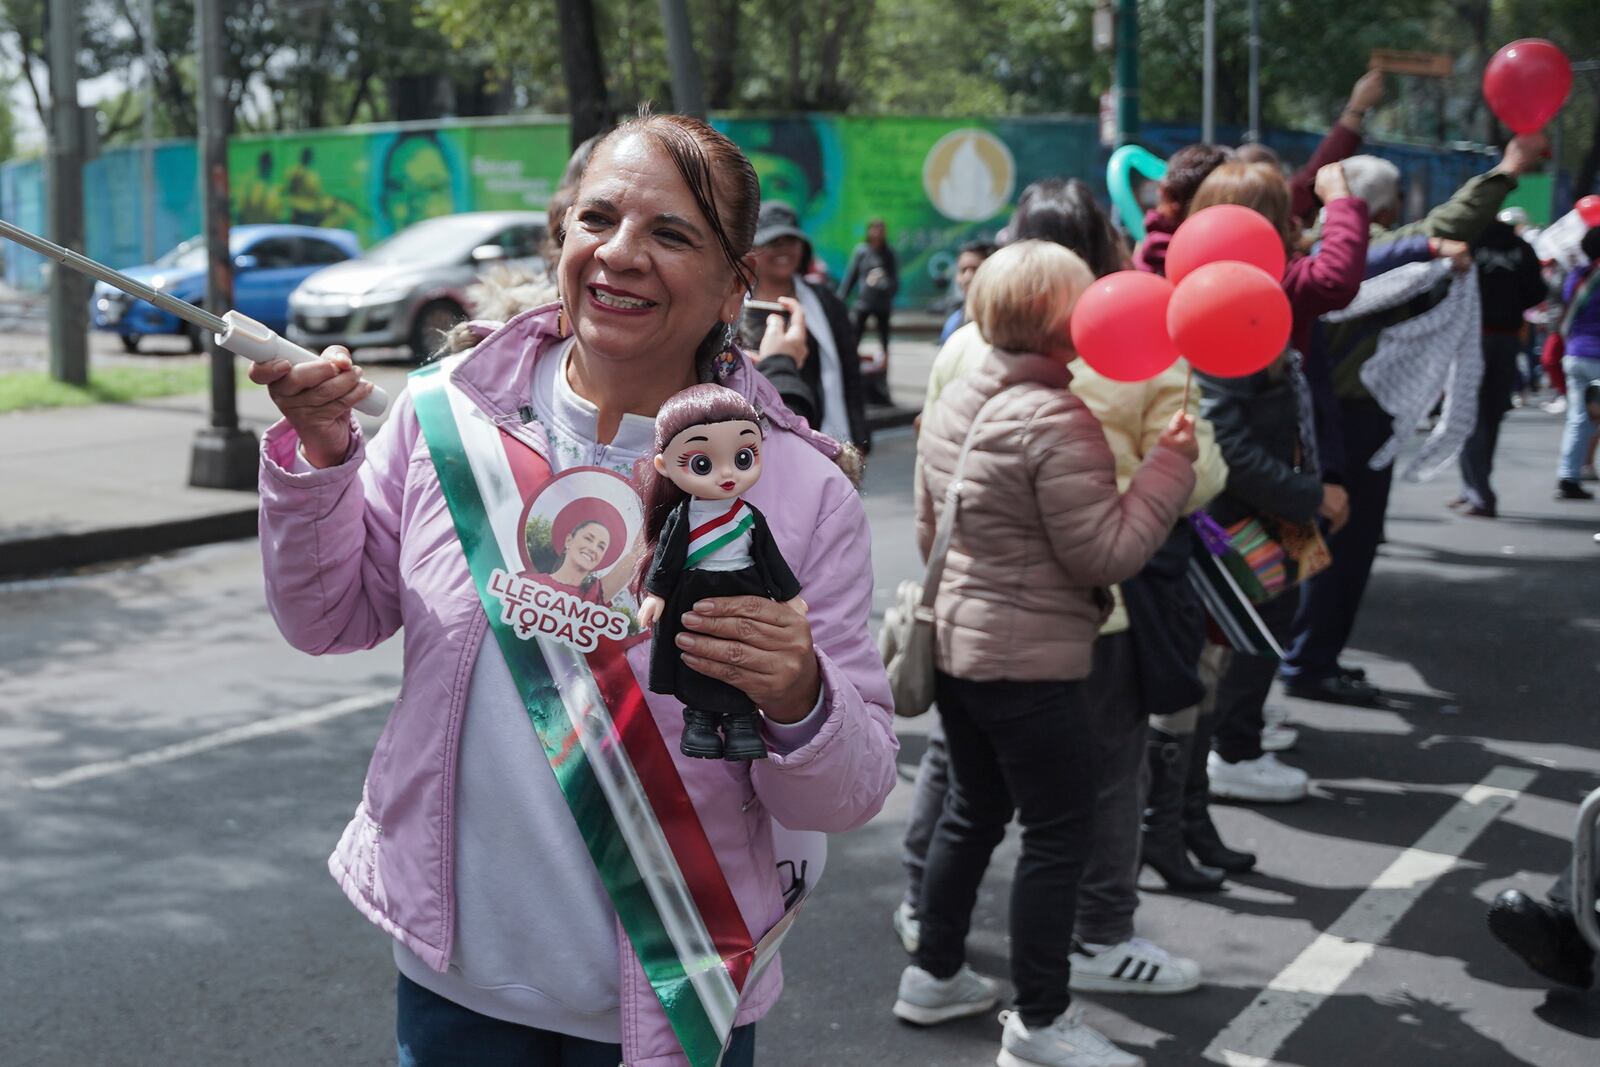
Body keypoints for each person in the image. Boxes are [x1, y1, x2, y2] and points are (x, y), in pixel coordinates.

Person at [248, 111, 897, 1067]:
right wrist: (320, 455)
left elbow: (850, 790)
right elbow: (327, 618)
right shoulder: (447, 414)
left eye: (672, 233)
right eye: (598, 219)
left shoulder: (799, 493)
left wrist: (801, 694)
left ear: (734, 287)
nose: (621, 255)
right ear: (563, 236)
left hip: (677, 999)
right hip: (455, 991)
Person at [896, 239, 1197, 1067]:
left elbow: (931, 528)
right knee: (1060, 834)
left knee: (972, 809)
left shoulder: (959, 396)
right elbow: (1104, 553)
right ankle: (1040, 1020)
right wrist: (1169, 465)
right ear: (1066, 327)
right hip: (1030, 664)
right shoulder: (1058, 418)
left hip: (958, 644)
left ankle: (934, 971)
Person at [1279, 132, 1549, 707]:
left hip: (1319, 419)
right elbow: (1434, 233)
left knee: (1312, 546)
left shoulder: (1309, 253)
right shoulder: (1342, 257)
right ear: (1377, 208)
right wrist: (1500, 175)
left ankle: (1300, 656)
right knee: (1339, 548)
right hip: (1346, 423)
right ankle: (1304, 662)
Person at [1184, 159, 1366, 805]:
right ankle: (1234, 751)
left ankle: (1238, 735)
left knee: (1264, 622)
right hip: (1240, 510)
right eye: (1282, 216)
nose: (1295, 227)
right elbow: (1229, 444)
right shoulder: (1223, 307)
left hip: (1264, 504)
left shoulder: (1246, 295)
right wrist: (1313, 496)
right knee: (1251, 629)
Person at [746, 200, 871, 453]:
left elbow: (849, 371)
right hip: (749, 437)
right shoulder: (731, 302)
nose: (784, 250)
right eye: (773, 242)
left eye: (791, 242)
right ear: (753, 250)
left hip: (820, 432)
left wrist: (859, 435)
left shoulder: (825, 301)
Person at [1453, 216, 1546, 516]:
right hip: (1507, 339)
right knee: (1490, 414)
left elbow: (1442, 287)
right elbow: (1538, 291)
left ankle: (1477, 490)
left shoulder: (1467, 243)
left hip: (1472, 338)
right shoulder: (1521, 247)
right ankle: (1475, 486)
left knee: (1469, 413)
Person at [1554, 227, 1600, 500]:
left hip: (1574, 353)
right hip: (1597, 356)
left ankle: (1568, 476)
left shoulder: (1577, 276)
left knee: (1578, 419)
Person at [839, 219, 899, 403]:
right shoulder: (862, 251)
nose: (877, 234)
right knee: (853, 341)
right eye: (875, 230)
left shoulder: (889, 254)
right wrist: (839, 301)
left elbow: (895, 282)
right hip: (864, 303)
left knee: (884, 344)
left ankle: (882, 384)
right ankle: (850, 382)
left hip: (882, 305)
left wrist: (883, 284)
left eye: (881, 231)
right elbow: (851, 277)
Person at [940, 239, 995, 343]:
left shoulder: (1004, 322)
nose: (967, 277)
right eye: (963, 270)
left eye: (975, 269)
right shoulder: (953, 322)